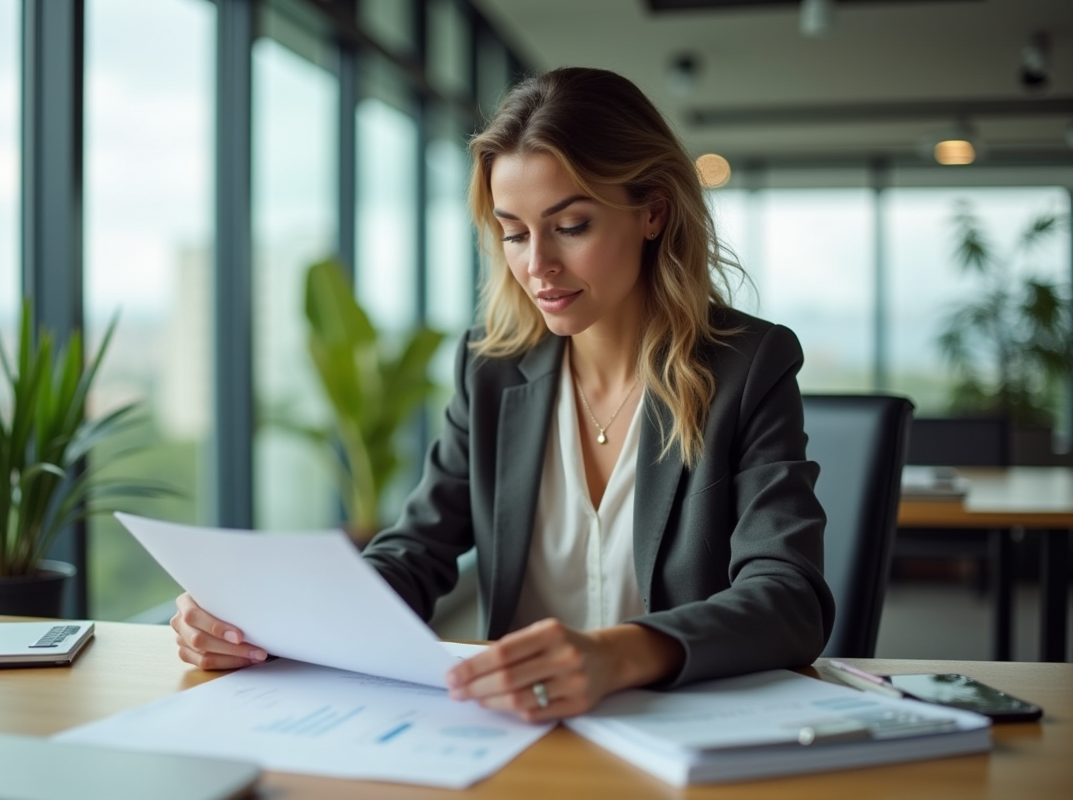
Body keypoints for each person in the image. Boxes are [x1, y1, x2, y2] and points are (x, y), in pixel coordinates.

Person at [172, 66, 835, 723]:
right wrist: (266, 622)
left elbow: (789, 597)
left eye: (570, 226)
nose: (537, 266)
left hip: (675, 728)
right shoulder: (492, 369)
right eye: (514, 232)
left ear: (653, 212)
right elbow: (416, 552)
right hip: (515, 731)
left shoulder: (747, 365)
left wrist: (619, 655)